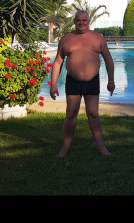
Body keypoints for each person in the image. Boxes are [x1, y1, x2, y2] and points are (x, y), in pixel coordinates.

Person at [49, 10, 115, 158]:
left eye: (84, 20)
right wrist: (53, 84)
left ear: (88, 21)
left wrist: (111, 81)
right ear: (74, 21)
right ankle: (65, 147)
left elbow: (108, 60)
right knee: (71, 114)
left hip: (92, 81)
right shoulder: (66, 39)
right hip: (73, 81)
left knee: (93, 113)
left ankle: (101, 146)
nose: (81, 23)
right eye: (78, 20)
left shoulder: (98, 38)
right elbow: (58, 62)